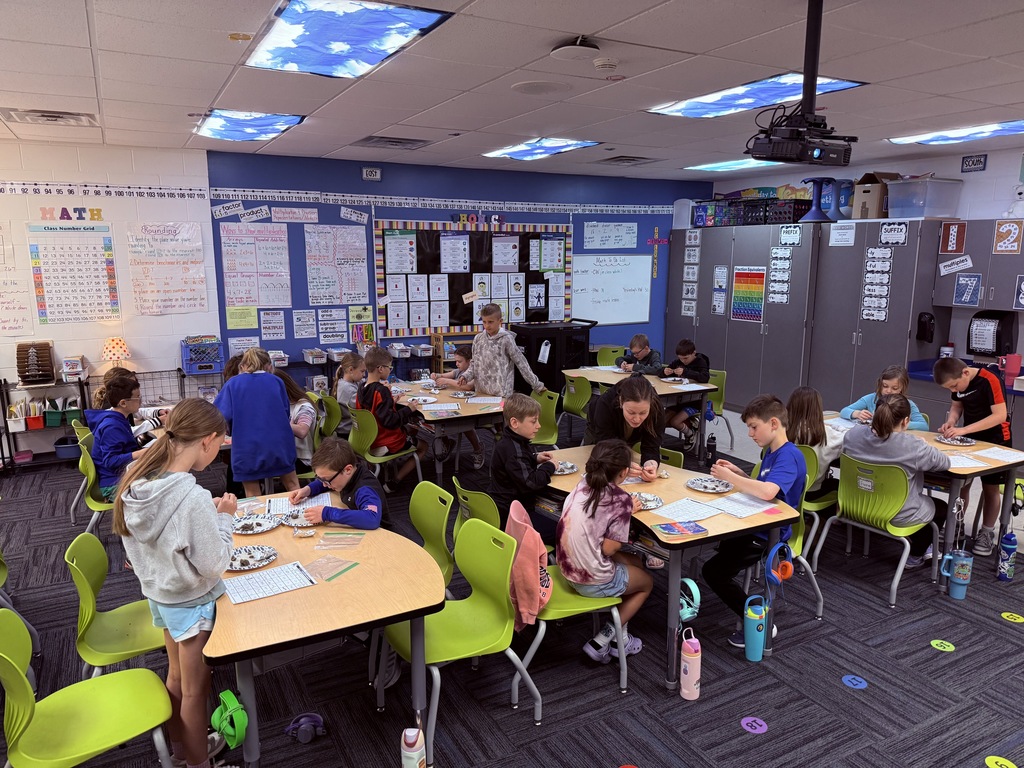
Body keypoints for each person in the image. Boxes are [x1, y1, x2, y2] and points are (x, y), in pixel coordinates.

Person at [113, 398, 238, 768]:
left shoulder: (136, 482)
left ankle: (183, 750)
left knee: (177, 679)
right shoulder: (192, 497)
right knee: (196, 692)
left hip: (161, 597)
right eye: (220, 444)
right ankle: (198, 763)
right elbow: (214, 563)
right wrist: (225, 520)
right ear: (207, 440)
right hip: (192, 602)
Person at [702, 394, 806, 647]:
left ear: (773, 423)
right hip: (753, 524)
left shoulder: (788, 455)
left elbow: (768, 492)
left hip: (766, 534)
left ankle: (759, 620)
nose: (749, 433)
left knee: (713, 572)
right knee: (711, 531)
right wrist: (738, 473)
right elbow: (767, 486)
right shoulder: (772, 452)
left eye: (753, 427)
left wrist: (730, 476)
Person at [556, 439, 653, 662]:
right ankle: (603, 639)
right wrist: (627, 509)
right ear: (625, 473)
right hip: (591, 580)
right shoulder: (620, 501)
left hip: (566, 568)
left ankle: (622, 640)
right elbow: (609, 549)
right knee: (646, 583)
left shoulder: (581, 484)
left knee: (635, 563)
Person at [843, 394, 950, 568]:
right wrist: (924, 444)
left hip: (856, 506)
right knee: (941, 507)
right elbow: (944, 463)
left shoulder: (853, 434)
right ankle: (915, 556)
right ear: (906, 421)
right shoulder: (913, 445)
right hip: (895, 514)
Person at [933, 357, 1013, 556]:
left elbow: (1000, 415)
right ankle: (957, 527)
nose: (953, 390)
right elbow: (957, 406)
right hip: (970, 438)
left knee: (990, 488)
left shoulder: (990, 379)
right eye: (949, 389)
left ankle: (987, 533)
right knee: (963, 484)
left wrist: (965, 429)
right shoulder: (958, 383)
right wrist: (951, 422)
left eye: (954, 385)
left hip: (996, 439)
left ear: (965, 373)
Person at [214, 347, 298, 498]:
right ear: (268, 365)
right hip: (279, 444)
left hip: (247, 447)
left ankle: (258, 521)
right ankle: (301, 516)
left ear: (243, 365)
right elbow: (286, 412)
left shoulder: (233, 384)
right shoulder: (277, 381)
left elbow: (220, 415)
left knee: (253, 494)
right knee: (292, 485)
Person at [357, 346, 427, 491]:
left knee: (410, 430)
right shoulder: (382, 390)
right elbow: (391, 421)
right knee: (424, 447)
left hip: (368, 439)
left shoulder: (361, 388)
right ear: (380, 368)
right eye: (390, 367)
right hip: (387, 441)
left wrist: (391, 402)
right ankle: (394, 482)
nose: (390, 370)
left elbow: (373, 410)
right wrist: (409, 409)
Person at [287, 437, 389, 529]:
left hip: (382, 535)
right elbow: (326, 480)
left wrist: (327, 513)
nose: (324, 484)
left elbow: (372, 518)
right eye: (320, 479)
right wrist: (307, 490)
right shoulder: (345, 475)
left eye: (326, 480)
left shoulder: (365, 489)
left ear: (347, 470)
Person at [490, 393, 557, 530]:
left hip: (503, 505)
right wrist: (549, 467)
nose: (538, 426)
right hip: (513, 515)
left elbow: (518, 465)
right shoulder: (514, 451)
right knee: (560, 530)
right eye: (534, 421)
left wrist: (535, 458)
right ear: (515, 423)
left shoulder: (511, 441)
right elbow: (531, 482)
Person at [584, 376, 664, 482]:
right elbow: (605, 442)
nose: (637, 419)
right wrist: (622, 463)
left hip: (629, 434)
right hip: (599, 431)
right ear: (621, 402)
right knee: (598, 463)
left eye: (643, 413)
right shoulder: (605, 404)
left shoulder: (657, 408)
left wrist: (651, 463)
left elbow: (652, 445)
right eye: (631, 412)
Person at [85, 375, 150, 500]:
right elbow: (110, 461)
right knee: (163, 493)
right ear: (123, 403)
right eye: (137, 397)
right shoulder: (111, 427)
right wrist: (143, 453)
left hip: (121, 474)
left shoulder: (118, 419)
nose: (140, 400)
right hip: (113, 484)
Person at [471, 303, 546, 398]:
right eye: (484, 322)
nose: (487, 326)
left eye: (490, 322)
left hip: (502, 394)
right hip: (481, 392)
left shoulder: (506, 339)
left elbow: (521, 363)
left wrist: (536, 385)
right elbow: (474, 363)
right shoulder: (478, 338)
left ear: (500, 321)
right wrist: (465, 376)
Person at [430, 344, 485, 468]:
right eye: (455, 361)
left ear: (470, 361)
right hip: (458, 404)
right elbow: (447, 375)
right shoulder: (459, 371)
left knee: (466, 425)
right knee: (440, 420)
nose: (456, 364)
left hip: (472, 407)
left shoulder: (475, 372)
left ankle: (478, 449)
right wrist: (437, 375)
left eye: (459, 361)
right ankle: (447, 443)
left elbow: (467, 386)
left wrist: (447, 381)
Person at [786, 386, 843, 501]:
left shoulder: (781, 430)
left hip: (783, 488)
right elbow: (850, 438)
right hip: (812, 491)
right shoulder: (825, 433)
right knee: (839, 484)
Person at [91, 366, 169, 441]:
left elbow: (138, 412)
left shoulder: (120, 403)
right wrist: (158, 421)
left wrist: (159, 412)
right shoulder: (110, 408)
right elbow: (127, 432)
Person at [841, 365, 928, 431]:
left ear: (902, 388)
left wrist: (899, 424)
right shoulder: (871, 399)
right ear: (880, 384)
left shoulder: (908, 404)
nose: (888, 391)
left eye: (894, 388)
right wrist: (856, 413)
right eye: (885, 386)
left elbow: (924, 426)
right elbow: (844, 411)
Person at [660, 338, 711, 450]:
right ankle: (691, 424)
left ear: (694, 353)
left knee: (674, 421)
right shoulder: (678, 362)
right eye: (680, 358)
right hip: (678, 400)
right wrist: (665, 372)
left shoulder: (701, 362)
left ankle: (690, 434)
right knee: (661, 420)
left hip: (695, 401)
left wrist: (686, 372)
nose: (683, 361)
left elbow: (705, 377)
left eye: (686, 358)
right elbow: (663, 371)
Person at [273, 368, 319, 476]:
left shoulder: (303, 407)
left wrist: (275, 422)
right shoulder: (282, 405)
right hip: (288, 455)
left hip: (301, 460)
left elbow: (302, 430)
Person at [333, 352, 365, 437]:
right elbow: (363, 407)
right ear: (351, 370)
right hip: (348, 432)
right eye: (362, 371)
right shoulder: (348, 390)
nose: (364, 374)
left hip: (346, 428)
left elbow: (365, 383)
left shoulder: (345, 381)